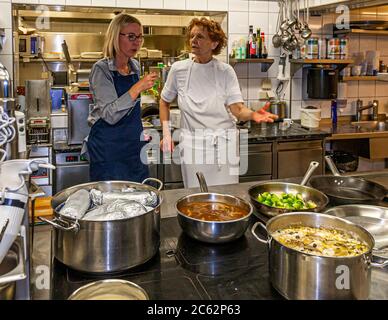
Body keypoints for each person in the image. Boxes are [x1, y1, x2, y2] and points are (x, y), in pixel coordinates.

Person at [159, 17, 278, 188]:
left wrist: (252, 114)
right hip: (193, 146)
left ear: (214, 43)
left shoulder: (225, 71)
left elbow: (237, 109)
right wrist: (166, 134)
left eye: (200, 37)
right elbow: (164, 102)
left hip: (224, 146)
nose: (194, 40)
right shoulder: (179, 69)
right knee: (196, 198)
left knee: (226, 198)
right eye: (192, 36)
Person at [87, 13, 157, 182]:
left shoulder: (134, 66)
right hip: (109, 149)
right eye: (131, 36)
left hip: (133, 146)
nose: (137, 42)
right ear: (115, 37)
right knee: (110, 201)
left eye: (140, 37)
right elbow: (110, 115)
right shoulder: (101, 69)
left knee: (138, 197)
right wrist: (137, 87)